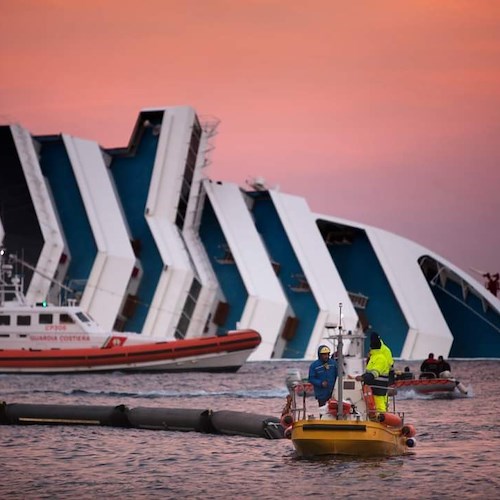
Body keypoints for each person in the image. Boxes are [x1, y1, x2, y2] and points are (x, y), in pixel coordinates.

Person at [355, 333, 392, 413]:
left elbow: (375, 372)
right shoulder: (374, 357)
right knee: (373, 404)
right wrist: (362, 377)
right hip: (372, 386)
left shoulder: (380, 358)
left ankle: (383, 420)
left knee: (380, 405)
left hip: (379, 387)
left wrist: (363, 378)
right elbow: (369, 371)